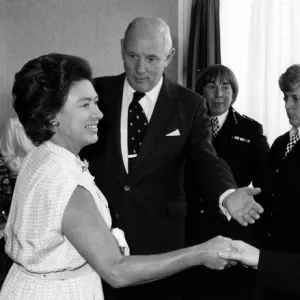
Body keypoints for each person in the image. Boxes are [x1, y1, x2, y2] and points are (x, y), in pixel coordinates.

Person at [0, 52, 238, 300]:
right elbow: (116, 271)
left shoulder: (42, 156)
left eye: (95, 102)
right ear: (52, 116)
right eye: (85, 105)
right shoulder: (66, 184)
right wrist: (200, 253)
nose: (99, 114)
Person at [80, 17, 263, 300]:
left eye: (152, 58)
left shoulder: (189, 105)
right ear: (121, 48)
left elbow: (205, 160)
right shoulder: (96, 94)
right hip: (97, 241)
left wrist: (227, 194)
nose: (140, 68)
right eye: (132, 56)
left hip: (162, 245)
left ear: (169, 57)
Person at [184, 64, 270, 299]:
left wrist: (254, 232)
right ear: (200, 91)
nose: (219, 94)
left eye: (225, 87)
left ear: (234, 92)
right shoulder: (185, 126)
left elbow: (265, 185)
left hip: (233, 231)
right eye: (211, 86)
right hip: (190, 230)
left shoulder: (250, 129)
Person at [221, 64, 300, 300]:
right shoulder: (278, 144)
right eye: (285, 97)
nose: (287, 105)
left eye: (295, 98)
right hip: (268, 265)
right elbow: (270, 197)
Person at [0, 116, 35, 188]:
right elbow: (6, 157)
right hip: (21, 179)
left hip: (47, 177)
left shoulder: (50, 122)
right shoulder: (14, 124)